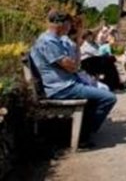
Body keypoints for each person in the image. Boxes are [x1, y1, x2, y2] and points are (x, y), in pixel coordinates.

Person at [30, 10, 117, 148]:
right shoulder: (48, 42)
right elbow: (72, 67)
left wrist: (76, 43)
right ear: (62, 24)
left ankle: (83, 131)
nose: (71, 28)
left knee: (97, 94)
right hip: (62, 88)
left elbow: (76, 64)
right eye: (69, 24)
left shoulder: (55, 40)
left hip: (66, 84)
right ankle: (83, 135)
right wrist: (75, 63)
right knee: (109, 98)